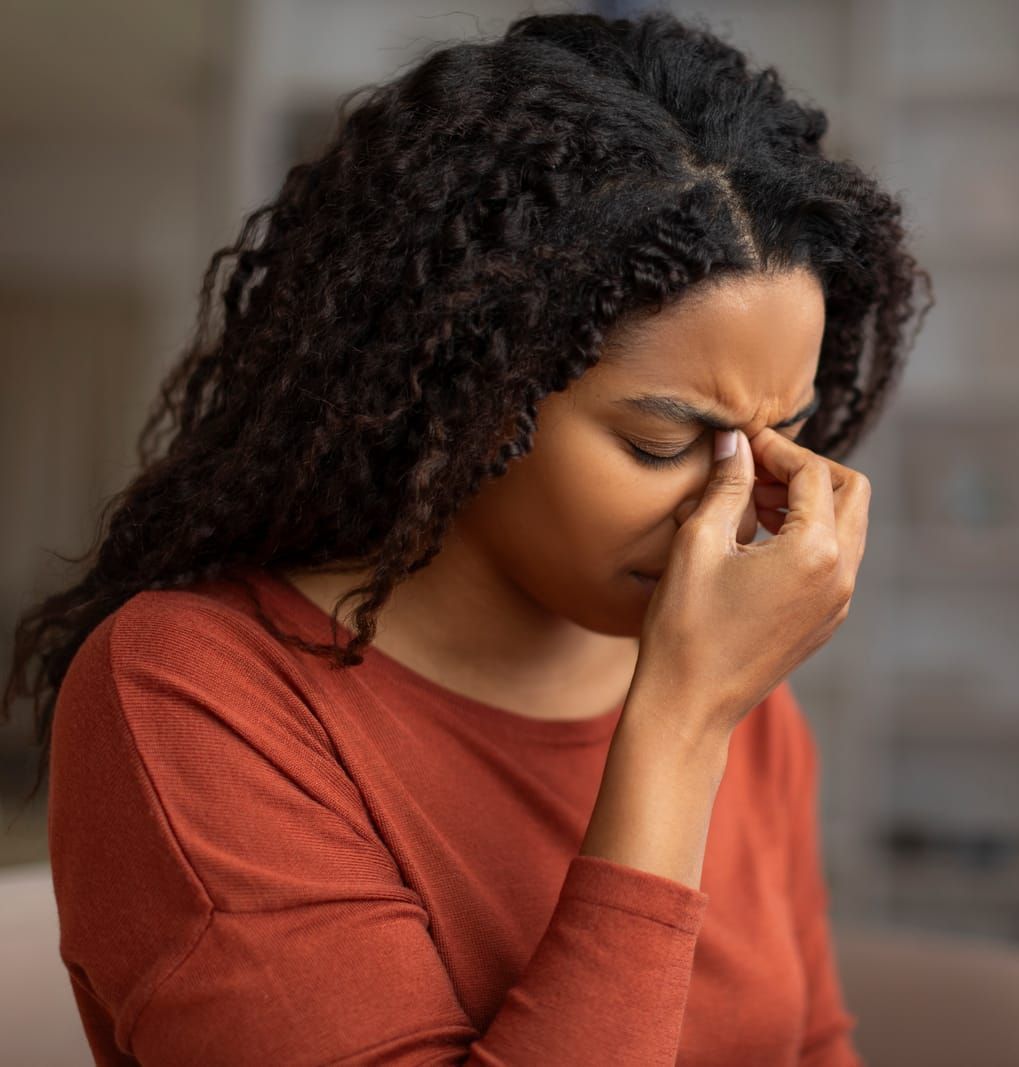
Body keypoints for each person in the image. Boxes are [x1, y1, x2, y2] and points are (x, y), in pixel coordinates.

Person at [3, 9, 931, 1064]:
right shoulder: (194, 695)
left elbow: (807, 1045)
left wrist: (702, 703)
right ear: (464, 396)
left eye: (786, 435)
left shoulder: (734, 680)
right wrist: (677, 727)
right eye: (662, 439)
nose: (744, 507)